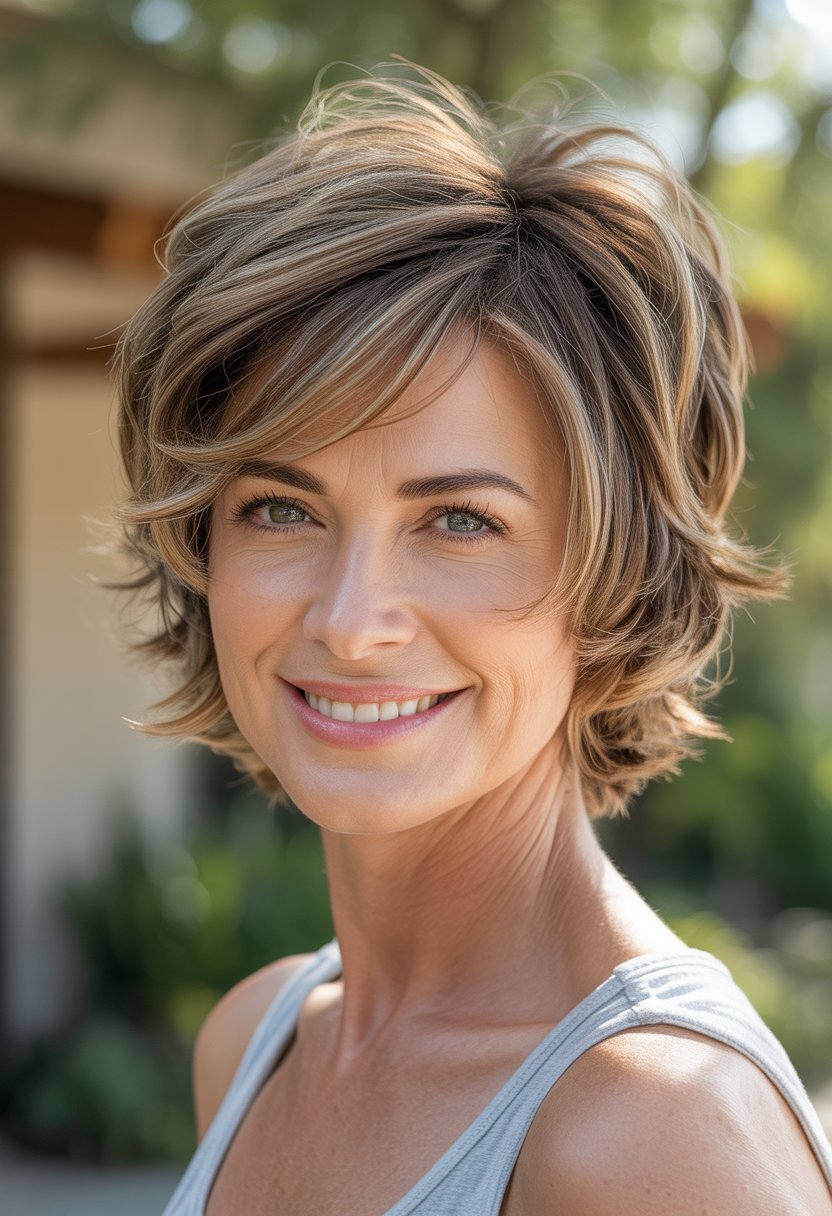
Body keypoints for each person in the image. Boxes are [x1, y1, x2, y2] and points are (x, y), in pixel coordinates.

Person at [114, 65, 832, 1215]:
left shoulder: (651, 1132)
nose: (350, 623)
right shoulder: (255, 1043)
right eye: (282, 508)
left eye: (460, 521)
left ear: (613, 576)